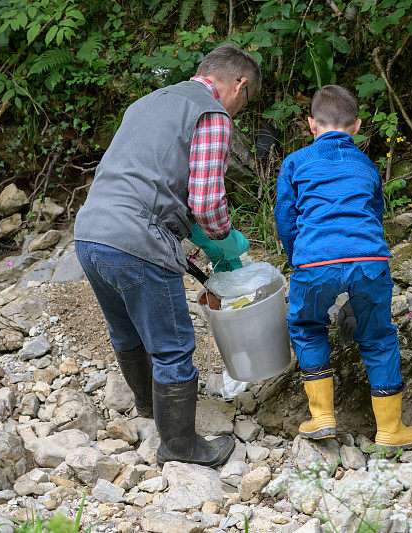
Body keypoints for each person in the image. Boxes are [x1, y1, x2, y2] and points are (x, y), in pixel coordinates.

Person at [74, 43, 260, 468]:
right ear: (239, 85)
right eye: (244, 102)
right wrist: (226, 243)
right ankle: (180, 446)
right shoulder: (212, 114)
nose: (239, 111)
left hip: (89, 233)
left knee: (127, 332)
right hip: (138, 239)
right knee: (174, 347)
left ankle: (147, 406)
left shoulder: (146, 103)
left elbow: (152, 181)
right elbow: (208, 202)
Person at [275, 85, 412, 452]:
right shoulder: (366, 165)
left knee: (308, 326)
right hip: (370, 261)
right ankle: (390, 429)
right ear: (356, 126)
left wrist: (301, 258)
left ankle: (323, 417)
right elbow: (375, 215)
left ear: (311, 124)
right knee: (378, 335)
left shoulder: (295, 162)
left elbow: (285, 219)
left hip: (315, 261)